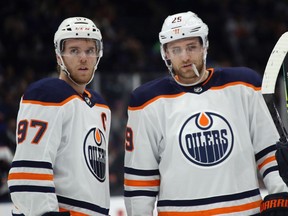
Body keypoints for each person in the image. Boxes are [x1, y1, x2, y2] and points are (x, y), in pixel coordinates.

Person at [123, 11, 288, 215]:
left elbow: (269, 151)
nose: (185, 56)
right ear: (166, 53)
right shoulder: (146, 101)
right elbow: (140, 180)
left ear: (204, 46)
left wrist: (281, 195)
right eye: (176, 49)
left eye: (191, 47)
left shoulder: (243, 85)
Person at [7, 17, 111, 216]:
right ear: (58, 56)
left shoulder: (101, 106)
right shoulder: (47, 94)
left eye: (90, 50)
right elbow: (28, 170)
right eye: (74, 50)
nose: (83, 58)